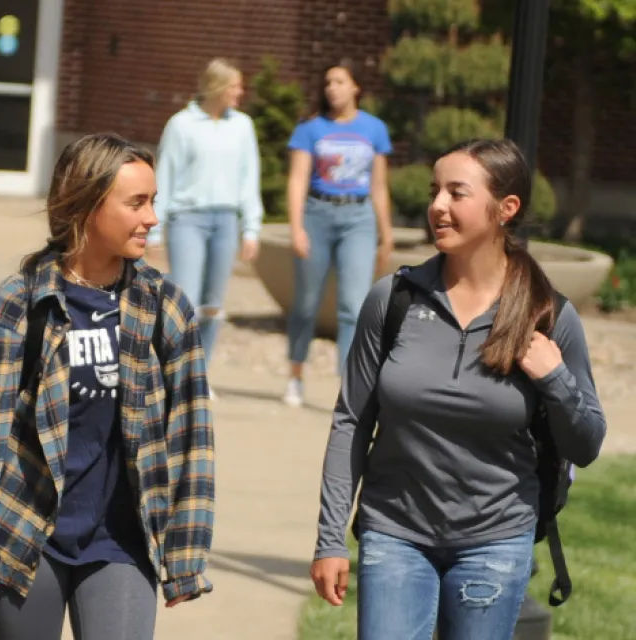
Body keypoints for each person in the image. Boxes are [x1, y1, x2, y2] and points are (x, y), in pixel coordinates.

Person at [310, 139, 606, 640]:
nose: (437, 206)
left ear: (505, 209)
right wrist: (330, 539)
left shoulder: (549, 316)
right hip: (394, 533)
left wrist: (554, 379)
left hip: (495, 542)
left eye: (456, 192)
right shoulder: (394, 299)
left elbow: (587, 444)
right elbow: (352, 421)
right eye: (434, 191)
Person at [0, 133, 215, 640]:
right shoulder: (17, 304)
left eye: (153, 201)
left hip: (121, 540)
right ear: (89, 205)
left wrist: (184, 553)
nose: (152, 218)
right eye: (136, 203)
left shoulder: (165, 309)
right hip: (24, 533)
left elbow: (192, 439)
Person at [146, 57, 264, 393]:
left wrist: (251, 228)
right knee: (186, 301)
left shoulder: (242, 126)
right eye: (234, 86)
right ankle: (173, 372)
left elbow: (248, 179)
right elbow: (165, 176)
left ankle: (199, 374)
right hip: (188, 220)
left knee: (213, 305)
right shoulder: (182, 125)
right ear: (216, 87)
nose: (240, 92)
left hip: (225, 220)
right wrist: (155, 228)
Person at [283, 59, 392, 407]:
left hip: (358, 217)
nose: (333, 88)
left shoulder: (374, 129)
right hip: (318, 214)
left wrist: (385, 234)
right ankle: (295, 375)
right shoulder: (311, 128)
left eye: (340, 82)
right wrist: (297, 227)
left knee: (353, 305)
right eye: (328, 82)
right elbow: (298, 178)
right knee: (306, 303)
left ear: (356, 87)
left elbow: (379, 185)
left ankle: (348, 386)